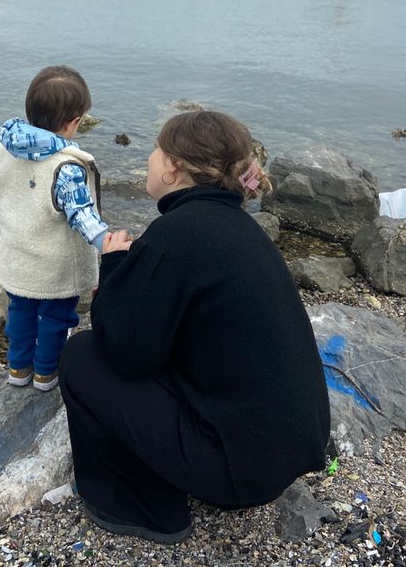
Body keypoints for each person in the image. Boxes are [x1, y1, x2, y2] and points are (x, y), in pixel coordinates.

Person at [59, 110, 331, 543]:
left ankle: (144, 509)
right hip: (282, 454)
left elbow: (123, 353)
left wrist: (114, 267)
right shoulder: (240, 227)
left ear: (173, 167)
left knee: (80, 355)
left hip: (237, 473)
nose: (149, 159)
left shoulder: (176, 236)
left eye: (155, 150)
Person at [0, 65, 107, 391]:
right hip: (53, 264)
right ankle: (45, 373)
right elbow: (81, 215)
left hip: (17, 256)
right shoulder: (65, 167)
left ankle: (18, 368)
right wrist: (106, 241)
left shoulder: (3, 149)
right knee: (55, 318)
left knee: (20, 313)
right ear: (73, 121)